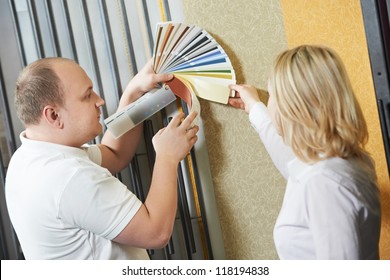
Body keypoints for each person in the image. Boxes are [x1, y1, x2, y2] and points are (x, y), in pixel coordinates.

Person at [5, 57, 199, 260]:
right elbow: (155, 233)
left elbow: (114, 153)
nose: (100, 100)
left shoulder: (27, 159)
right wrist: (167, 158)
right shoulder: (68, 177)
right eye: (87, 95)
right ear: (53, 115)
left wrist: (132, 94)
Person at [229, 45, 381, 259]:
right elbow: (290, 161)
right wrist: (254, 107)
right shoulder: (339, 163)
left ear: (293, 106)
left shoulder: (324, 182)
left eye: (271, 95)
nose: (269, 101)